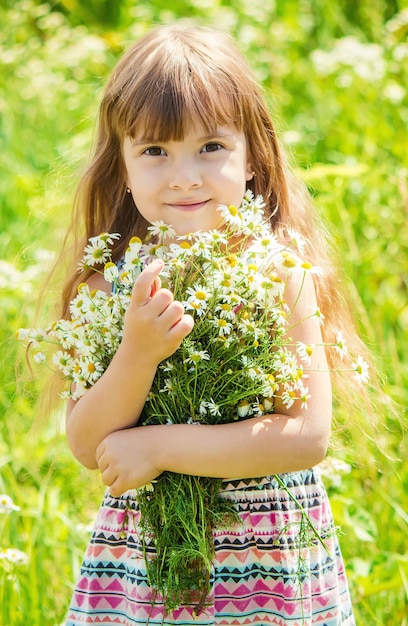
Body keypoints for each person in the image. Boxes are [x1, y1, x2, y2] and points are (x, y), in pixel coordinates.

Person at [60, 23, 364, 625]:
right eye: (154, 152)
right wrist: (138, 353)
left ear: (252, 156)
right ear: (121, 167)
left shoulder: (280, 276)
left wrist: (158, 447)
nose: (185, 176)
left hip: (264, 560)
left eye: (211, 147)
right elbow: (86, 444)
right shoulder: (106, 289)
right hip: (146, 563)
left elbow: (307, 436)